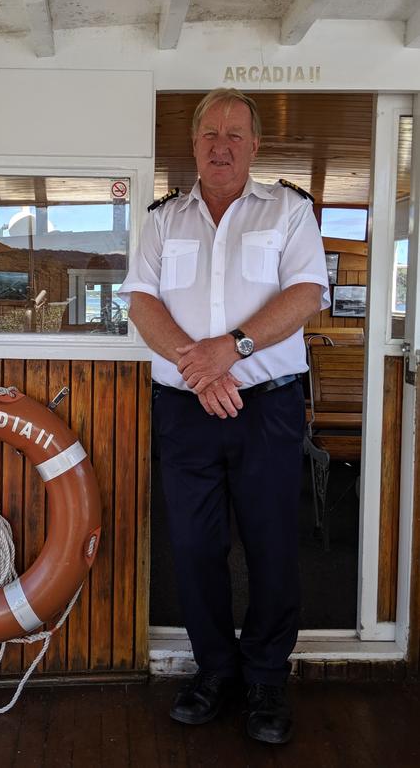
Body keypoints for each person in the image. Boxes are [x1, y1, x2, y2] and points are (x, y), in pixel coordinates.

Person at [119, 88, 329, 745]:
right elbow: (141, 302)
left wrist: (228, 349)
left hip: (266, 406)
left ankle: (267, 676)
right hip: (186, 407)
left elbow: (305, 293)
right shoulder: (162, 220)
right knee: (192, 546)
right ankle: (215, 669)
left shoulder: (290, 211)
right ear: (193, 145)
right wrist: (199, 369)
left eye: (235, 133)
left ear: (256, 145)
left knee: (270, 544)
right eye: (210, 132)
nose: (221, 144)